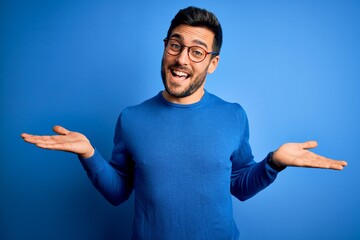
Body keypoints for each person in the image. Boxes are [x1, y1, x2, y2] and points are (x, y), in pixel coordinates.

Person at [21, 6, 347, 240]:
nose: (182, 59)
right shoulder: (131, 118)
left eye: (197, 52)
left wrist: (273, 162)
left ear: (213, 63)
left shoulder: (233, 115)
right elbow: (119, 192)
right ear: (165, 47)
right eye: (176, 45)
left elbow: (239, 186)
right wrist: (89, 155)